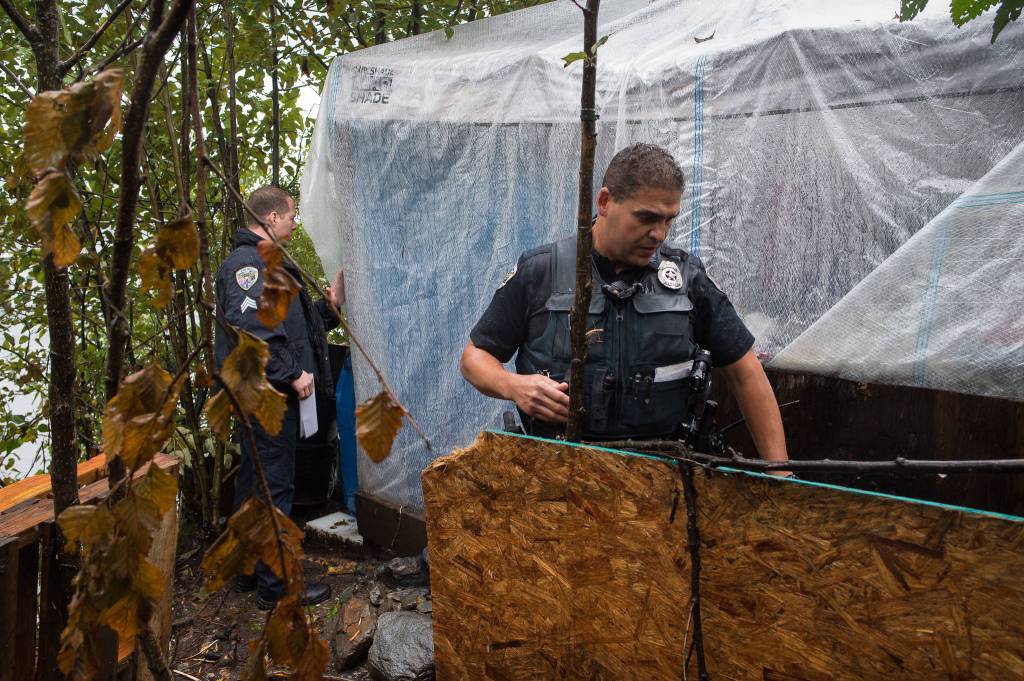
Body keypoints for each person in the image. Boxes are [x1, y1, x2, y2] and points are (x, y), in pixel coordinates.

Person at [460, 143, 790, 471]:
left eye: (668, 220)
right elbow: (475, 357)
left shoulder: (687, 280)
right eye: (646, 218)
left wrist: (780, 473)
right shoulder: (542, 272)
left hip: (662, 480)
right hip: (557, 478)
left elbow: (746, 372)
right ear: (605, 202)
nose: (659, 234)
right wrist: (514, 386)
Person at [215, 185, 346, 609]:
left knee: (256, 484)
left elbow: (292, 331)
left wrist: (328, 308)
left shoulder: (271, 264)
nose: (295, 221)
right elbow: (250, 329)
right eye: (291, 214)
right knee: (273, 487)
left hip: (268, 393)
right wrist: (291, 374)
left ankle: (251, 570)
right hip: (265, 395)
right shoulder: (248, 264)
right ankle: (277, 588)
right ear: (270, 218)